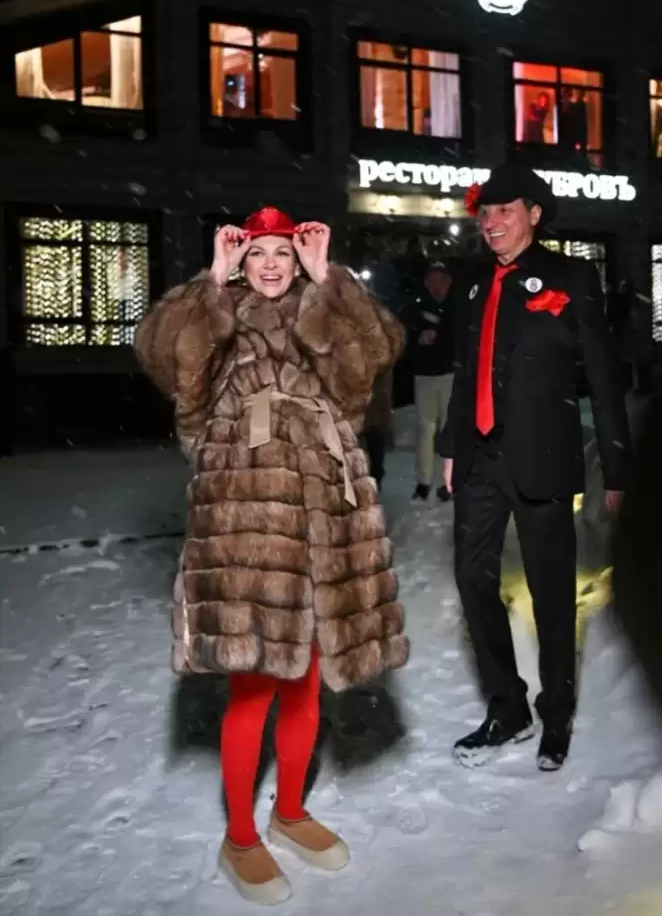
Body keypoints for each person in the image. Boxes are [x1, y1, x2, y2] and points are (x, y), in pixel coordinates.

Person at [134, 206, 408, 905]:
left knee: (307, 681)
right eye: (257, 253)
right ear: (242, 260)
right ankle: (240, 836)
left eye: (283, 253)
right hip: (245, 520)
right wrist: (210, 282)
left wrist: (330, 282)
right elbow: (167, 361)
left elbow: (372, 362)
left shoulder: (322, 311)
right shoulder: (219, 316)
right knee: (253, 684)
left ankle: (288, 809)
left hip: (325, 514)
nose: (271, 265)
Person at [437, 162, 629, 772]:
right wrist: (451, 446)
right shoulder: (472, 282)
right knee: (472, 579)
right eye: (485, 213)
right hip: (480, 457)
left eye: (505, 211)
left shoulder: (572, 277)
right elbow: (466, 373)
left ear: (534, 214)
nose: (492, 222)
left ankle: (557, 712)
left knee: (551, 592)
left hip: (543, 458)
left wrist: (617, 469)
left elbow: (604, 378)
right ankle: (507, 708)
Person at [406, 261, 455, 502]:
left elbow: (460, 337)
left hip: (449, 375)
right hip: (424, 376)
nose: (437, 286)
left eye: (441, 281)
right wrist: (419, 338)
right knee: (425, 429)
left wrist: (440, 337)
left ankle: (450, 481)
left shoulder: (456, 307)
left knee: (449, 429)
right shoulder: (417, 307)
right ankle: (423, 481)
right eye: (432, 281)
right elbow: (407, 335)